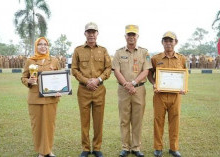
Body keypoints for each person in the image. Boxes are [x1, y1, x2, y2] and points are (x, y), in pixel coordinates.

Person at [71, 22, 112, 157]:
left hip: (99, 90)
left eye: (93, 32)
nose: (91, 34)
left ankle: (97, 147)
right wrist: (86, 81)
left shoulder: (103, 50)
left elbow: (108, 68)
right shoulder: (78, 50)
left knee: (98, 120)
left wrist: (98, 80)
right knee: (85, 120)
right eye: (89, 32)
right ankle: (86, 148)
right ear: (85, 34)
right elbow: (74, 69)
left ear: (97, 34)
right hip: (83, 90)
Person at [112, 25, 152, 157]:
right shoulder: (118, 53)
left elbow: (146, 70)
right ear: (125, 37)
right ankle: (125, 147)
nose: (131, 37)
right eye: (129, 35)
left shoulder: (144, 52)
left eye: (133, 35)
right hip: (123, 90)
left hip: (139, 90)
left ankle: (136, 147)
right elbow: (116, 70)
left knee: (137, 119)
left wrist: (133, 83)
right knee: (124, 119)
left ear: (137, 36)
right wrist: (126, 84)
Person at [147, 31, 187, 157]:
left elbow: (184, 75)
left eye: (171, 40)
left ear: (176, 42)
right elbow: (149, 74)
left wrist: (183, 87)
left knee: (175, 121)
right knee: (158, 120)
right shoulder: (156, 58)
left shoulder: (181, 58)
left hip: (175, 96)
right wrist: (153, 83)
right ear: (162, 42)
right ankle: (158, 148)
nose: (168, 43)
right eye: (166, 40)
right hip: (160, 95)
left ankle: (173, 148)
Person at [21, 37, 61, 157]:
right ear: (36, 46)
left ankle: (48, 150)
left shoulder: (54, 61)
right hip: (35, 99)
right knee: (37, 125)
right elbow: (23, 77)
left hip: (51, 99)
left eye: (45, 44)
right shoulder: (30, 61)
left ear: (48, 46)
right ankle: (41, 152)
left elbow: (59, 78)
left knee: (49, 125)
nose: (43, 46)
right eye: (40, 44)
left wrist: (59, 90)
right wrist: (29, 80)